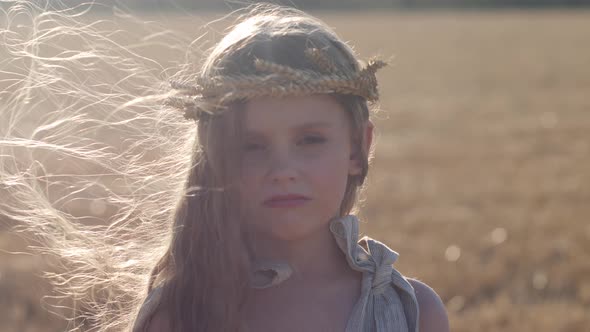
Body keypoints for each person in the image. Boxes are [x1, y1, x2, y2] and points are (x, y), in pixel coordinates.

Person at [0, 2, 448, 332]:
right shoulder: (183, 316)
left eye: (310, 140)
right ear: (214, 161)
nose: (282, 168)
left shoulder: (411, 314)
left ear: (358, 147)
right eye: (251, 146)